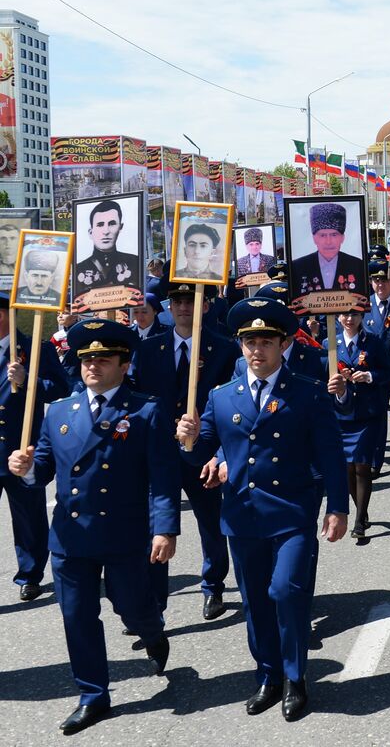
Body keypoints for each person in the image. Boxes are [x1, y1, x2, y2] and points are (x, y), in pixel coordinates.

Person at [175, 297, 348, 722]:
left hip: (291, 511)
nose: (257, 349)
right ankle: (268, 676)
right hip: (243, 514)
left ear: (284, 344)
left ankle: (295, 677)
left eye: (266, 341)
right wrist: (188, 440)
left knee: (286, 592)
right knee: (254, 601)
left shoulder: (307, 392)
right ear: (240, 345)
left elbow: (330, 453)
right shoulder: (221, 396)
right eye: (250, 342)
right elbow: (201, 453)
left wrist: (338, 506)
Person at [8, 319, 177, 734]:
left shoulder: (145, 410)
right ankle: (92, 695)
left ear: (124, 364)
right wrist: (26, 469)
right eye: (86, 359)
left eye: (103, 359)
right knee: (77, 616)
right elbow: (44, 467)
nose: (92, 366)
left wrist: (165, 528)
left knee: (133, 607)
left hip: (123, 532)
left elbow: (162, 477)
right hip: (70, 536)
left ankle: (152, 632)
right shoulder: (59, 411)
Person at [131, 279, 239, 622]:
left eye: (190, 301)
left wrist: (218, 453)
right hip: (159, 452)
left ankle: (213, 586)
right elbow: (135, 397)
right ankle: (154, 605)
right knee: (156, 526)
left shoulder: (224, 349)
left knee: (211, 522)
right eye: (176, 302)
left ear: (205, 306)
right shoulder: (149, 349)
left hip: (202, 452)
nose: (182, 307)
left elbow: (232, 406)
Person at [0, 290, 72, 602]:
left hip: (20, 448)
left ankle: (29, 575)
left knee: (29, 518)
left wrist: (28, 378)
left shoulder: (35, 348)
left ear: (3, 315)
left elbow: (61, 389)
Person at [330, 309, 390, 541]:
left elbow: (388, 373)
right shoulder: (330, 343)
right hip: (341, 414)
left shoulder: (374, 341)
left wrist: (369, 377)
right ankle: (362, 510)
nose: (349, 319)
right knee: (348, 466)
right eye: (345, 315)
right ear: (338, 317)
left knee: (362, 465)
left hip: (368, 413)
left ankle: (358, 522)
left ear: (362, 318)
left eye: (355, 315)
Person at [289, 203, 364, 295]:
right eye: (323, 235)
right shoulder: (297, 267)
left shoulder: (357, 266)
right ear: (314, 238)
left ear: (342, 238)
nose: (328, 242)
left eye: (334, 235)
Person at [72, 200, 141, 294]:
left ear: (120, 228)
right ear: (90, 232)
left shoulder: (135, 262)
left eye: (112, 223)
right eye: (100, 225)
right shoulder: (78, 269)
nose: (106, 231)